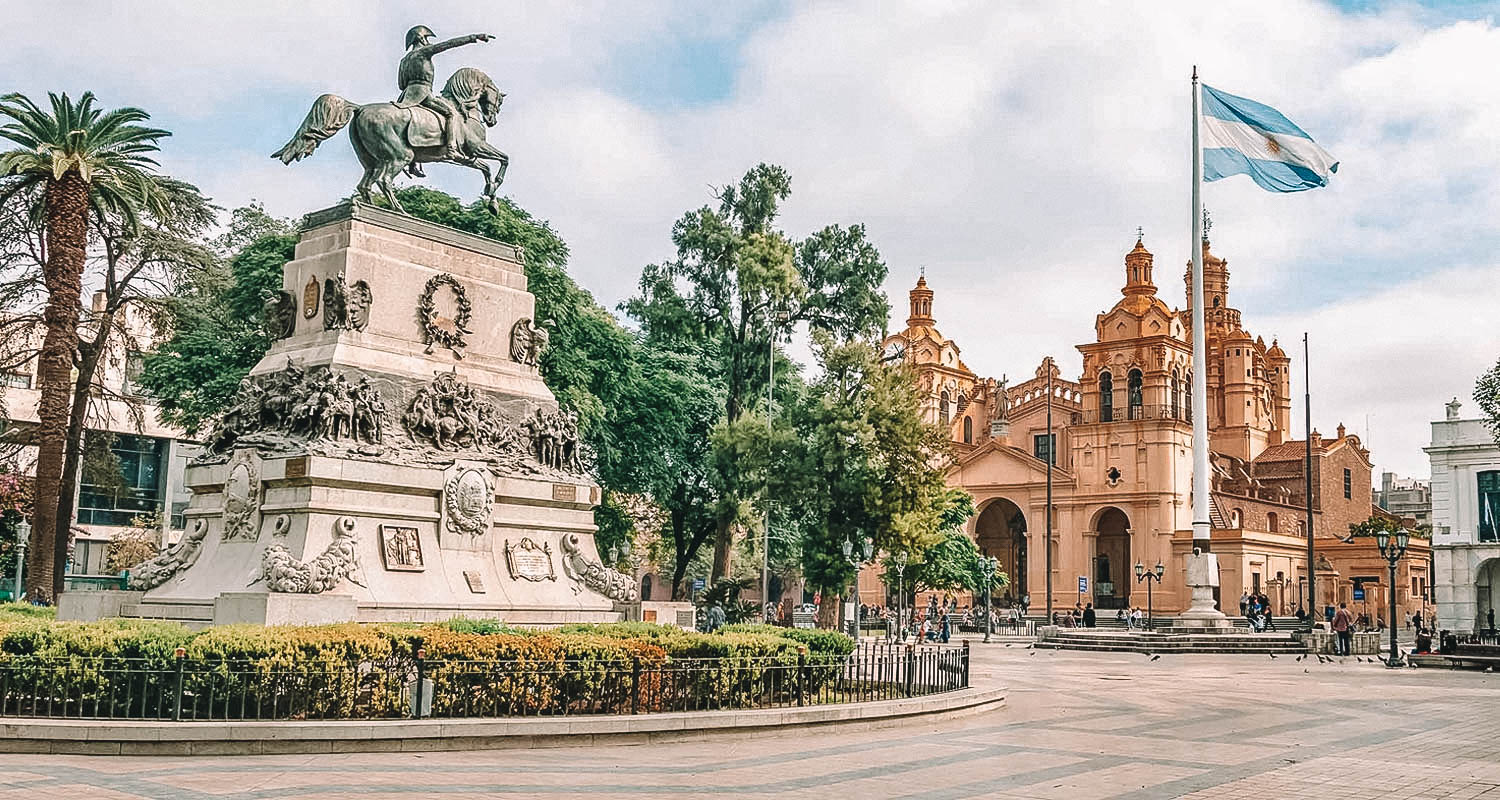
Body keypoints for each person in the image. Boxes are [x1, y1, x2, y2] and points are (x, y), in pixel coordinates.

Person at [396, 26, 495, 162]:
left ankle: (413, 162)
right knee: (451, 113)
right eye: (426, 38)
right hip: (423, 93)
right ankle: (451, 149)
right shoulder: (423, 52)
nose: (428, 42)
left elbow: (401, 84)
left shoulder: (404, 60)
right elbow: (449, 44)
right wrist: (474, 37)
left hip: (406, 96)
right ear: (420, 38)